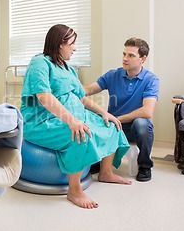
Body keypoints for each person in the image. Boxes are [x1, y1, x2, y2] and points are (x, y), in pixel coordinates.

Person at [20, 24, 131, 209]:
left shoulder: (68, 69)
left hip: (75, 115)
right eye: (72, 43)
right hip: (42, 121)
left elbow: (81, 98)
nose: (75, 48)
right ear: (59, 44)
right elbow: (44, 97)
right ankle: (74, 190)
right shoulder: (40, 63)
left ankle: (105, 172)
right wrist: (71, 121)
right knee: (80, 134)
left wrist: (105, 113)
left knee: (111, 125)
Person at [84, 37, 159, 182]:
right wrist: (69, 86)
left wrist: (117, 119)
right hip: (111, 128)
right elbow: (88, 89)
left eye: (131, 55)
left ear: (143, 59)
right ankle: (98, 162)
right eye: (124, 54)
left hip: (132, 129)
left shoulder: (151, 80)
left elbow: (147, 111)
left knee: (142, 123)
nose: (125, 59)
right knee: (91, 116)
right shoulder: (113, 75)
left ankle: (144, 166)